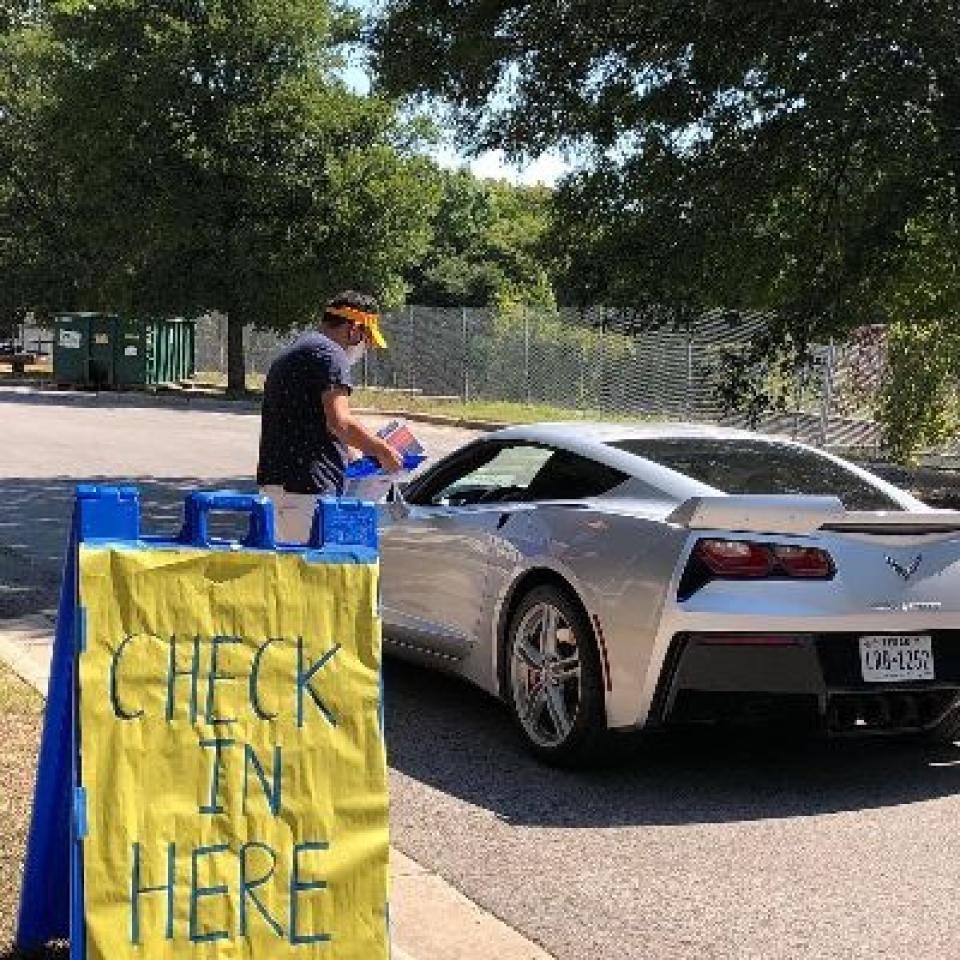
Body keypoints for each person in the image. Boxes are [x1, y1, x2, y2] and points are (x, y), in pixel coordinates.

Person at [256, 290, 404, 542]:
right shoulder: (331, 355)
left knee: (288, 572)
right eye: (366, 339)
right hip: (308, 490)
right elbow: (339, 421)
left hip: (277, 485)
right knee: (313, 575)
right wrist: (382, 450)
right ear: (354, 328)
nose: (365, 347)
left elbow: (311, 420)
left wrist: (354, 450)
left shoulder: (297, 350)